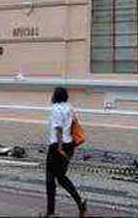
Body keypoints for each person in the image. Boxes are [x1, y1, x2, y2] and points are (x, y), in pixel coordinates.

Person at [43, 87, 86, 218]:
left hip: (57, 147)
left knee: (50, 180)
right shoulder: (69, 107)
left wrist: (60, 148)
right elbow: (73, 124)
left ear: (55, 96)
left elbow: (58, 129)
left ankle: (50, 212)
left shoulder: (56, 109)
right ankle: (80, 202)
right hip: (69, 145)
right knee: (61, 177)